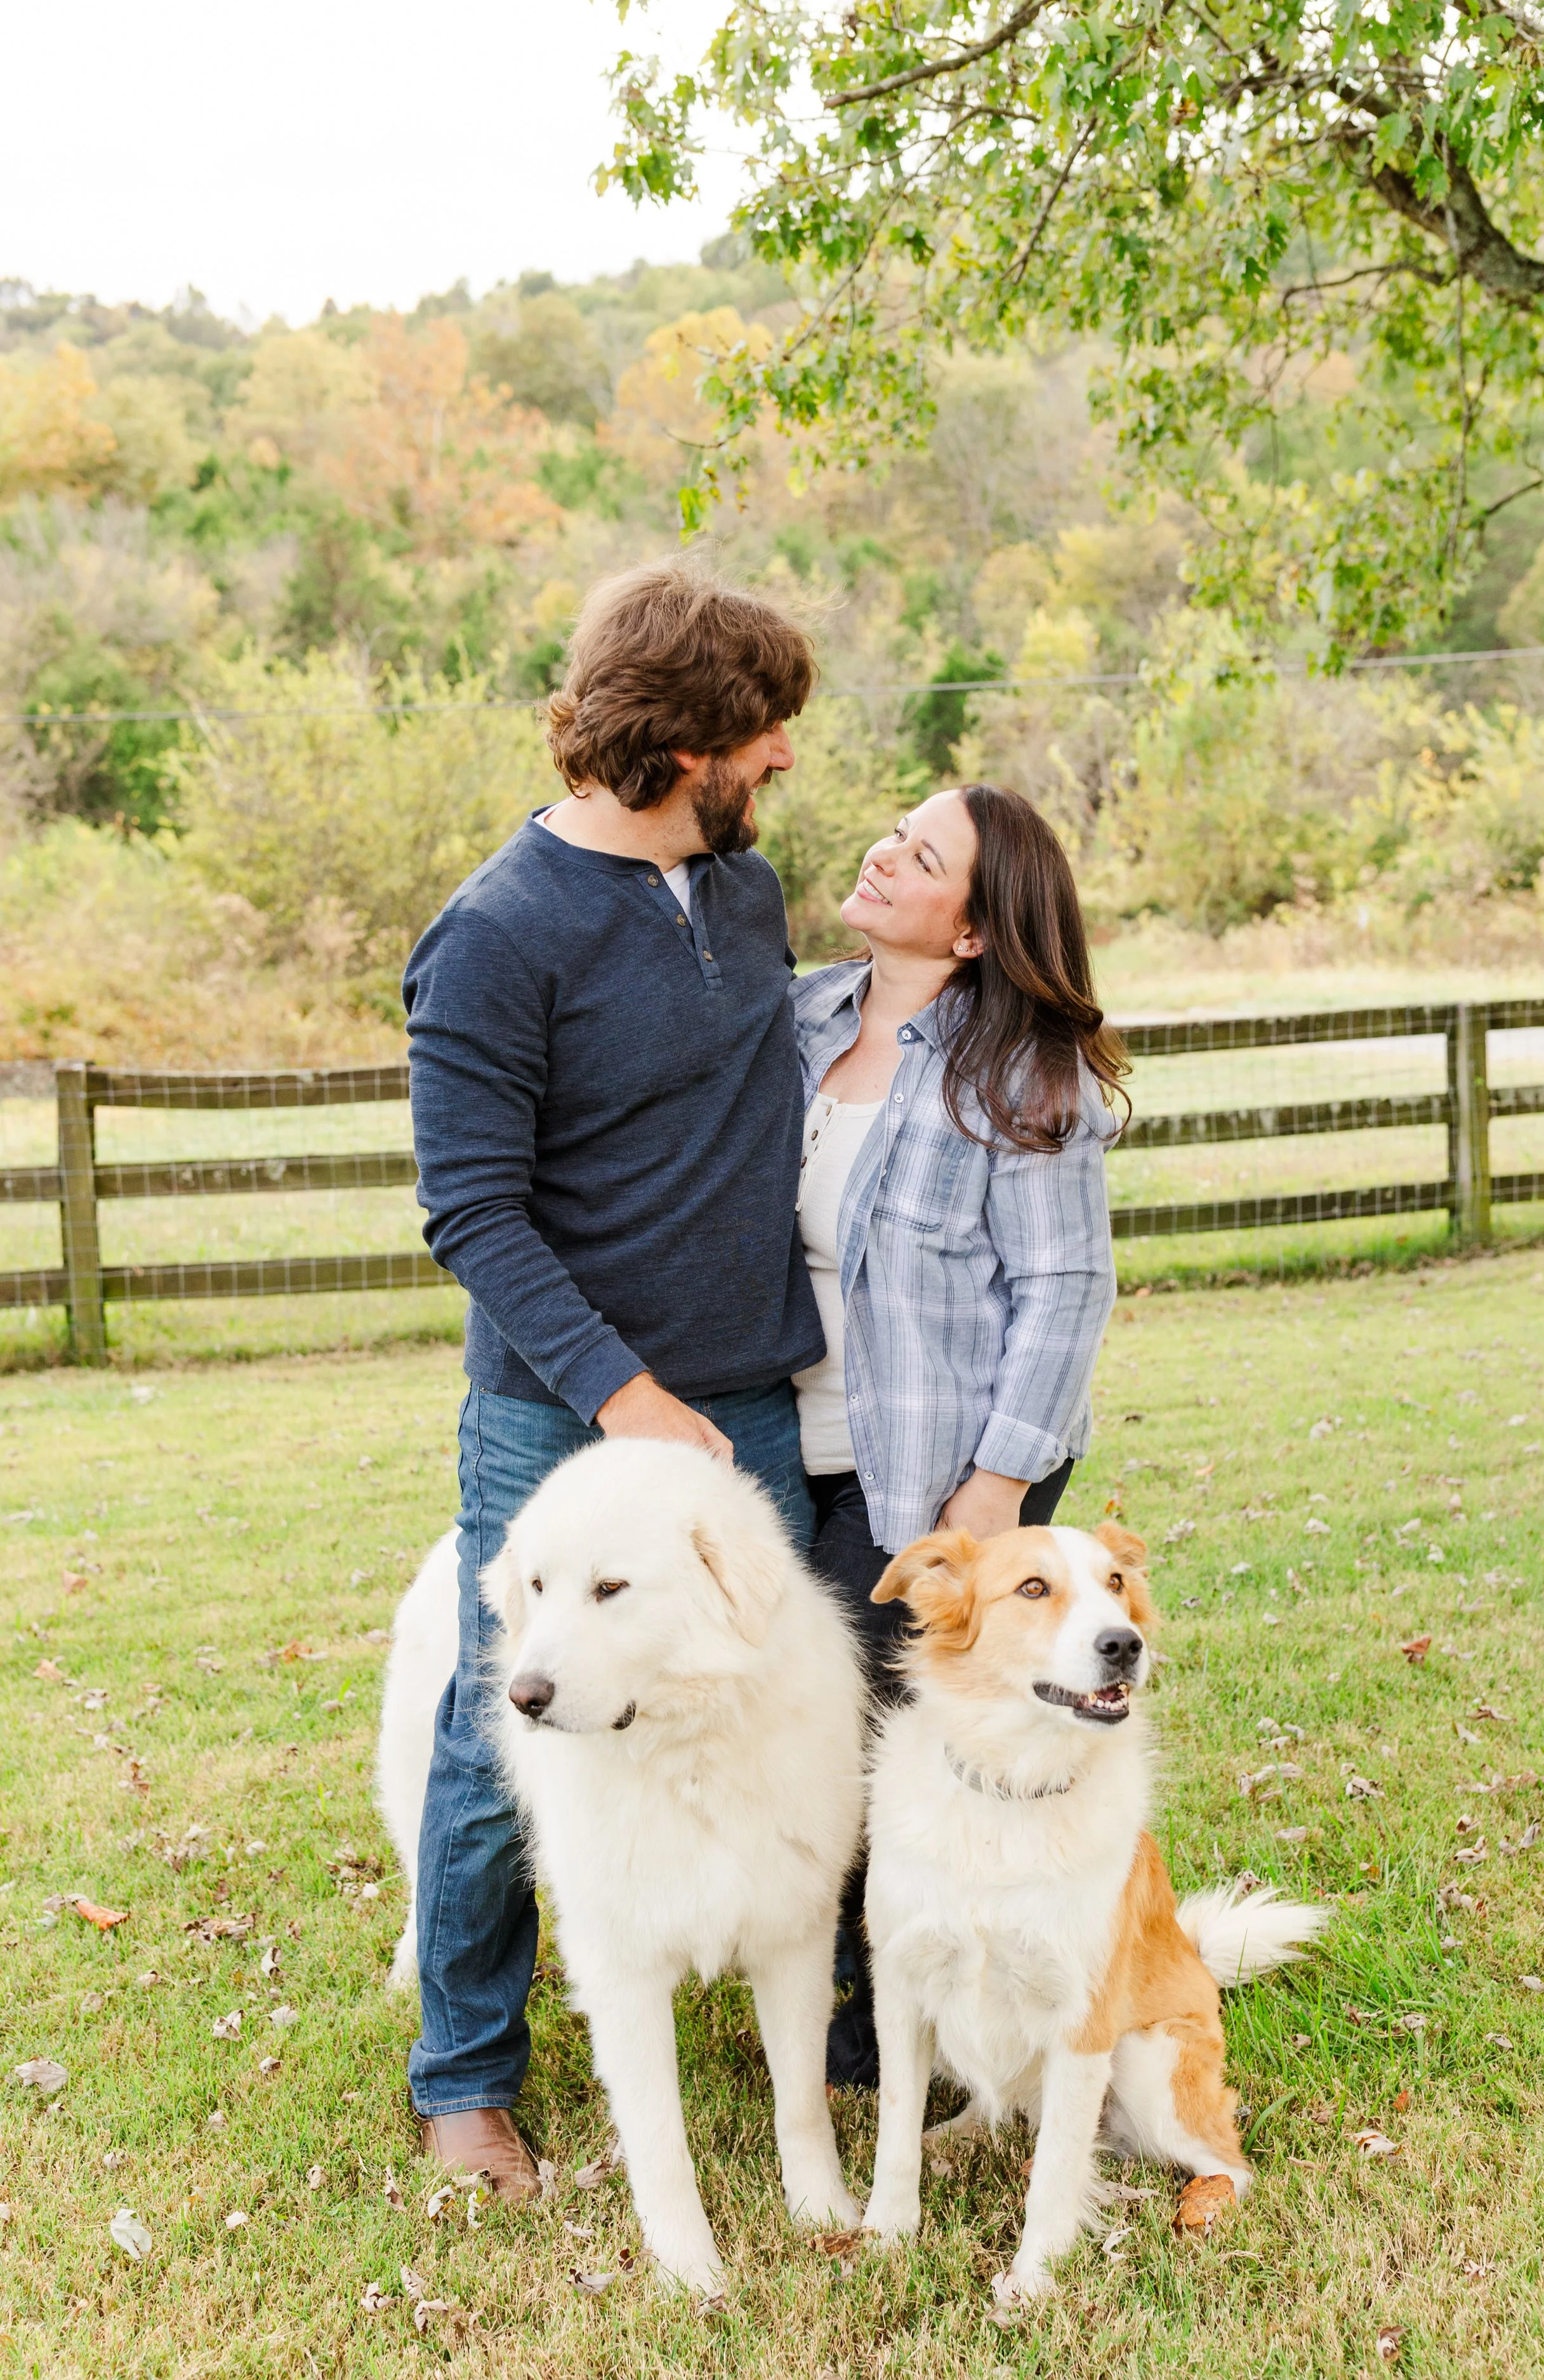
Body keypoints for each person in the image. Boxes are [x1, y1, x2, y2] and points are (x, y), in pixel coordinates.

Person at [401, 557, 824, 2195]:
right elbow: (470, 1206)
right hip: (559, 1419)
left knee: (768, 1700)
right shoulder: (495, 933)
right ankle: (462, 2072)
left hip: (755, 1404)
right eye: (766, 731)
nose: (784, 757)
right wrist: (619, 1391)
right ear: (686, 737)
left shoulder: (744, 887)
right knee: (510, 1736)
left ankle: (803, 2004)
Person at [791, 781, 1128, 2084]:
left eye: (918, 857)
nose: (882, 855)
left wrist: (994, 1492)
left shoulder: (1021, 1073)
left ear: (975, 930)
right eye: (893, 831)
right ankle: (842, 1968)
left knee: (888, 1726)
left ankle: (894, 2026)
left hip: (946, 1467)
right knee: (823, 1719)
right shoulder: (798, 1016)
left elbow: (1063, 1290)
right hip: (788, 1430)